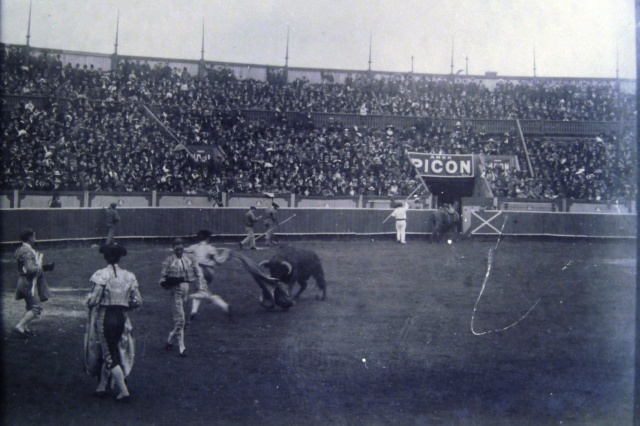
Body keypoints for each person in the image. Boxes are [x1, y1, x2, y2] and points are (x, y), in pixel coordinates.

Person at [84, 244, 141, 403]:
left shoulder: (101, 274)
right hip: (121, 317)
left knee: (109, 354)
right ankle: (102, 386)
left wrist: (88, 302)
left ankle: (123, 391)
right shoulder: (128, 275)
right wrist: (123, 306)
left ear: (106, 257)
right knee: (112, 349)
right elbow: (137, 301)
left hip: (105, 317)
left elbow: (93, 300)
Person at [160, 238, 201, 357]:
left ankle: (170, 338)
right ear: (173, 248)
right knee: (180, 320)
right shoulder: (168, 261)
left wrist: (198, 285)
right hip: (175, 292)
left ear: (184, 248)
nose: (179, 251)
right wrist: (172, 281)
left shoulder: (189, 259)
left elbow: (195, 273)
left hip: (186, 291)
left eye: (181, 249)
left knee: (185, 322)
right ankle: (182, 348)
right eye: (177, 249)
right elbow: (162, 280)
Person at [184, 230, 233, 321]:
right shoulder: (210, 248)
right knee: (201, 290)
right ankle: (193, 312)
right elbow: (219, 262)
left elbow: (184, 255)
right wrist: (226, 254)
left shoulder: (193, 247)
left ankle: (224, 306)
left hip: (199, 272)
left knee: (202, 292)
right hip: (209, 272)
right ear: (208, 238)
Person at [13, 228, 54, 337]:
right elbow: (31, 269)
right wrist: (43, 268)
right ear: (30, 237)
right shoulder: (26, 251)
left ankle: (24, 328)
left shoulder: (21, 249)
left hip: (24, 281)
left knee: (29, 306)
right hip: (27, 283)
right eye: (34, 237)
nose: (35, 239)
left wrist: (44, 268)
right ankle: (20, 326)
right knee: (37, 307)